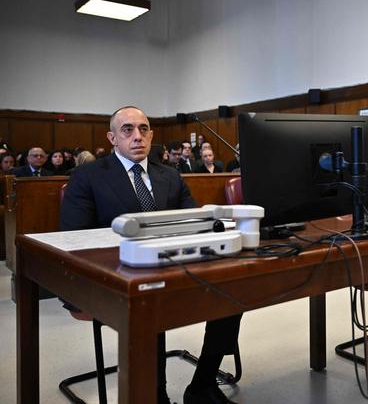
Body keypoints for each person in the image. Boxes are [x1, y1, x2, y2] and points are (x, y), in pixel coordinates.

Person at [59, 106, 240, 404]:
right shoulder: (87, 176)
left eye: (143, 129)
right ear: (113, 138)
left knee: (232, 287)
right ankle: (154, 394)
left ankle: (203, 385)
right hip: (118, 271)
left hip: (174, 262)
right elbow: (76, 238)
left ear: (152, 135)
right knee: (148, 297)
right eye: (127, 130)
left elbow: (194, 223)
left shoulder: (169, 174)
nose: (137, 136)